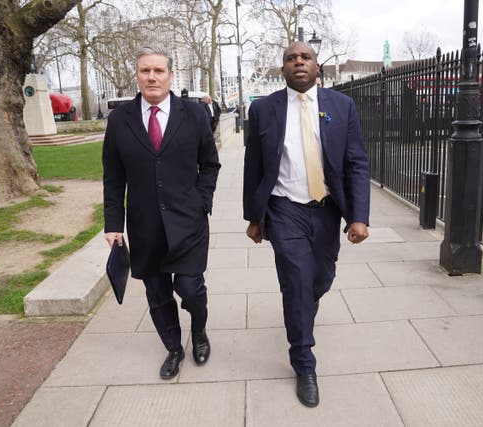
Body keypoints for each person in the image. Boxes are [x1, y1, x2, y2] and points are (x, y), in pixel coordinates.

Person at [242, 42, 370, 408]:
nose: (298, 62)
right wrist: (255, 217)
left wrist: (358, 216)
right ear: (283, 69)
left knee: (320, 279)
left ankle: (301, 308)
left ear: (318, 67)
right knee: (297, 281)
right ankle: (304, 362)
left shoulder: (341, 106)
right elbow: (253, 166)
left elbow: (356, 162)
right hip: (284, 209)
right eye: (290, 59)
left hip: (327, 209)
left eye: (305, 58)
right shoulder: (264, 109)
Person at [102, 46, 221, 380]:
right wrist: (113, 225)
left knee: (191, 288)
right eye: (145, 71)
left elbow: (210, 164)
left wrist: (202, 201)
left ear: (170, 75)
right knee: (157, 294)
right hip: (145, 226)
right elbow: (113, 177)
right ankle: (173, 348)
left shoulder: (194, 115)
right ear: (137, 76)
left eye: (158, 71)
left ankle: (198, 331)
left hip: (188, 222)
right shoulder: (120, 120)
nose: (151, 77)